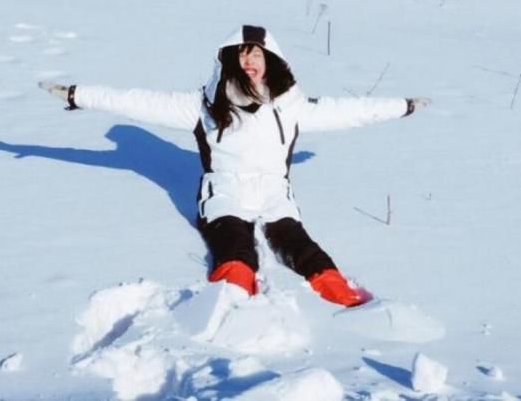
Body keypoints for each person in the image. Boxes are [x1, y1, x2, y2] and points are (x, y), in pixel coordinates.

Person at [40, 24, 428, 307]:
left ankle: (334, 286)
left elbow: (352, 111)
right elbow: (136, 100)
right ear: (228, 61)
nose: (249, 62)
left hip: (275, 191)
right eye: (241, 55)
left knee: (297, 241)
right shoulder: (202, 105)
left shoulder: (292, 107)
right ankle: (232, 295)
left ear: (271, 61)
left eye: (256, 54)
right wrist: (78, 95)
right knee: (234, 243)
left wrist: (402, 106)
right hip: (224, 191)